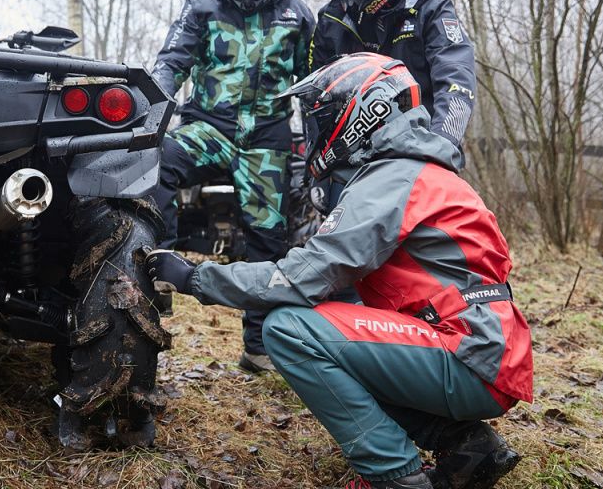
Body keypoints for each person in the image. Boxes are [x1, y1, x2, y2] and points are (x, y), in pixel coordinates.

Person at [144, 54, 531, 489]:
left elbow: (300, 278)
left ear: (368, 112)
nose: (315, 130)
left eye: (322, 117)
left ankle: (394, 476)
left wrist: (195, 277)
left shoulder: (393, 179)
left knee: (289, 329)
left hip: (469, 353)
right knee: (333, 314)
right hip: (478, 347)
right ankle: (466, 445)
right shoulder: (415, 172)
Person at [151, 0, 314, 373]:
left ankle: (258, 347)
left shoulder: (298, 15)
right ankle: (157, 271)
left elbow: (314, 84)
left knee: (268, 237)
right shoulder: (200, 7)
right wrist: (153, 114)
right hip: (208, 126)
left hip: (267, 135)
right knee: (152, 164)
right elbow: (170, 64)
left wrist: (321, 143)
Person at [308, 0, 477, 212]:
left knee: (417, 250)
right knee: (343, 251)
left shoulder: (432, 12)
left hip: (418, 153)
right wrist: (316, 168)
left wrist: (442, 145)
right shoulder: (331, 20)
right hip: (351, 160)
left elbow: (457, 83)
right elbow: (315, 100)